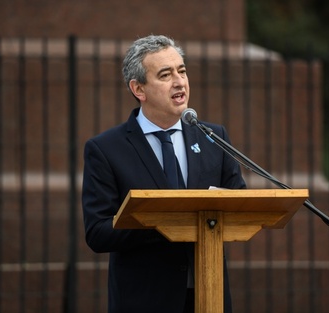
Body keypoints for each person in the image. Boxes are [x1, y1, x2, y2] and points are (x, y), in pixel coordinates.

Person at [81, 34, 246, 313]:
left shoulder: (213, 138)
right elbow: (97, 232)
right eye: (165, 75)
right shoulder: (106, 149)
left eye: (182, 71)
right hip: (144, 300)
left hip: (209, 294)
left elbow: (240, 205)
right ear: (139, 89)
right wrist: (162, 221)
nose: (179, 81)